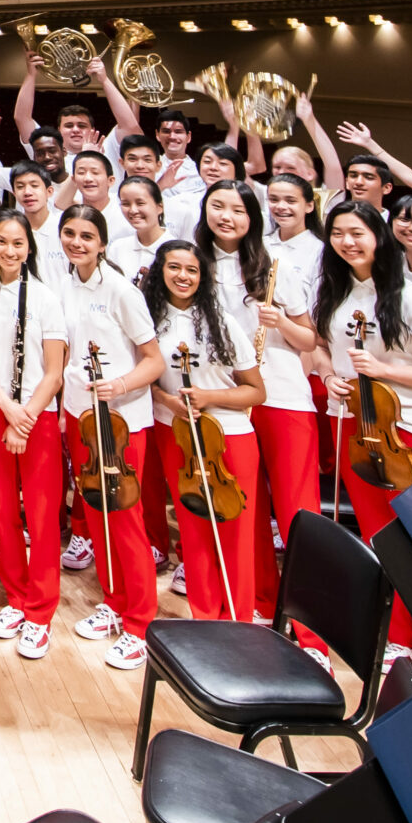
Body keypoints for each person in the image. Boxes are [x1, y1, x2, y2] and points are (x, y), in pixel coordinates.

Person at [315, 200, 412, 674]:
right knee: (382, 539)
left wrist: (383, 370)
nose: (347, 242)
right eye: (338, 233)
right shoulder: (336, 291)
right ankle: (397, 637)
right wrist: (329, 376)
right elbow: (322, 348)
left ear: (379, 236)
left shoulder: (411, 300)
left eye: (357, 232)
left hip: (409, 431)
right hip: (356, 427)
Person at [192, 181, 320, 632]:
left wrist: (281, 320)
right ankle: (260, 603)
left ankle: (310, 631)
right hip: (227, 400)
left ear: (253, 217)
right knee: (244, 511)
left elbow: (309, 340)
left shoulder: (274, 264)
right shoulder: (194, 263)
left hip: (281, 395)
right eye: (217, 207)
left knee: (297, 512)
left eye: (238, 210)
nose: (226, 217)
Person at [53, 203, 163, 671]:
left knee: (126, 519)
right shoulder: (63, 284)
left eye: (86, 236)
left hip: (120, 420)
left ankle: (141, 624)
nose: (76, 243)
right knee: (96, 513)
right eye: (69, 233)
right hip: (80, 417)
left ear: (102, 243)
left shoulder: (121, 290)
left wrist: (119, 385)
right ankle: (114, 601)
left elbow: (154, 360)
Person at [146, 240, 263, 624]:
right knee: (193, 532)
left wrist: (208, 397)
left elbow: (256, 391)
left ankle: (239, 624)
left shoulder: (221, 320)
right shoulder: (149, 319)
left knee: (235, 535)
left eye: (192, 270)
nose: (183, 276)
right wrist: (168, 400)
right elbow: (147, 380)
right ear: (160, 271)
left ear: (203, 276)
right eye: (174, 267)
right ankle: (205, 621)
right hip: (174, 432)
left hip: (228, 435)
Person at [0, 210, 68, 658]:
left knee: (43, 517)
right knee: (2, 511)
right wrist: (6, 408)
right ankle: (16, 597)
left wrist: (24, 417)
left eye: (18, 243)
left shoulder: (46, 298)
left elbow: (54, 372)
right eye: (1, 242)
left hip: (36, 415)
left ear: (30, 247)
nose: (9, 251)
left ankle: (41, 610)